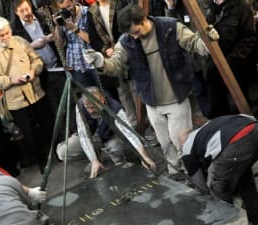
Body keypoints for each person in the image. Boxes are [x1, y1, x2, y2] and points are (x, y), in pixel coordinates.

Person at [83, 4, 211, 180]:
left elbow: (194, 43)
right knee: (165, 143)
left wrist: (207, 41)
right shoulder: (127, 40)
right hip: (152, 101)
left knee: (181, 141)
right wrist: (100, 62)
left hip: (177, 98)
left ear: (143, 20)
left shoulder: (170, 27)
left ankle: (194, 175)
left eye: (136, 31)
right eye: (131, 34)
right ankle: (175, 173)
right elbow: (116, 64)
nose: (134, 36)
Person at [0, 16, 53, 168]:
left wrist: (34, 70)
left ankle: (53, 153)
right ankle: (41, 162)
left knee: (47, 125)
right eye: (2, 35)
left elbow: (37, 59)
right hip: (17, 101)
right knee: (29, 133)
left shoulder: (20, 41)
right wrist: (11, 80)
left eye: (7, 33)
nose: (6, 37)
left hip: (36, 92)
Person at [56, 86, 156, 178]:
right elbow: (84, 136)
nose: (90, 111)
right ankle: (95, 158)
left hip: (109, 136)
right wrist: (93, 160)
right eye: (88, 108)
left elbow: (130, 134)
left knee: (115, 148)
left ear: (102, 100)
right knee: (63, 153)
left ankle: (117, 163)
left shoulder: (115, 108)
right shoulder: (81, 106)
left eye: (93, 107)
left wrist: (144, 157)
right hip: (91, 136)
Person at [179, 114, 258, 225]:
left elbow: (199, 183)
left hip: (236, 143)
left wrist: (206, 195)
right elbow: (248, 117)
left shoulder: (187, 147)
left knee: (218, 187)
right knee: (243, 175)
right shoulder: (207, 127)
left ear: (183, 142)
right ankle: (255, 216)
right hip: (253, 128)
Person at [206, 0, 256, 118]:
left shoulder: (241, 6)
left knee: (241, 106)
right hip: (214, 67)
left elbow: (249, 37)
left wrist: (230, 61)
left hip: (236, 67)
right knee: (218, 107)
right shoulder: (207, 7)